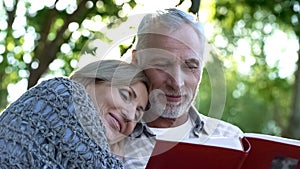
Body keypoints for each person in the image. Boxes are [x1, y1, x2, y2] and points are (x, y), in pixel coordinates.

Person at [123, 8, 244, 168]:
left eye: (190, 66)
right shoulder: (108, 138)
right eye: (162, 65)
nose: (177, 83)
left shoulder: (232, 140)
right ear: (137, 61)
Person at [0, 59, 149, 168]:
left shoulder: (110, 160)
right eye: (125, 95)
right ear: (94, 81)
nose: (130, 116)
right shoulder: (60, 93)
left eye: (137, 115)